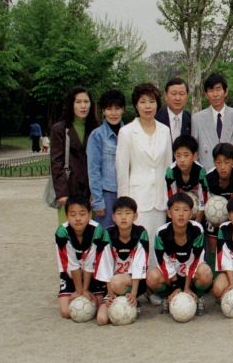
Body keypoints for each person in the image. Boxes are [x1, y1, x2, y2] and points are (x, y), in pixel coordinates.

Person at [116, 83, 172, 263]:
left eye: (152, 101)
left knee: (158, 243)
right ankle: (138, 282)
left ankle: (157, 283)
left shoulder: (165, 130)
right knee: (140, 244)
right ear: (136, 105)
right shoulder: (126, 132)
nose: (148, 106)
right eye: (143, 102)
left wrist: (170, 199)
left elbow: (168, 168)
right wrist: (124, 207)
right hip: (138, 197)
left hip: (160, 199)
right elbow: (122, 171)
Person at [145, 193, 213, 316]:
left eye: (185, 210)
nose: (181, 214)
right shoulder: (161, 233)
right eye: (176, 210)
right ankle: (168, 296)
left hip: (191, 276)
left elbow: (195, 260)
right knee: (152, 277)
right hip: (171, 277)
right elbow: (163, 262)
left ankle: (198, 296)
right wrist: (176, 286)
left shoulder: (197, 229)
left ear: (191, 214)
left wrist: (186, 287)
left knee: (206, 273)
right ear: (169, 213)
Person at [92, 196, 150, 326]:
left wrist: (134, 293)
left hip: (135, 283)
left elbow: (139, 264)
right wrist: (111, 294)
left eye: (128, 213)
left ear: (135, 216)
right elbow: (105, 264)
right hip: (112, 285)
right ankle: (119, 298)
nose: (123, 217)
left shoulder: (140, 233)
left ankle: (134, 302)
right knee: (102, 320)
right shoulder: (109, 233)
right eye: (119, 213)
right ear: (113, 217)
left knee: (117, 281)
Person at [50, 86, 100, 225]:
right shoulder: (60, 129)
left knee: (90, 233)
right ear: (71, 104)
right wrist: (62, 193)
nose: (83, 106)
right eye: (78, 102)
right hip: (69, 189)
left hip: (90, 190)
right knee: (68, 234)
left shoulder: (96, 129)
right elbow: (56, 162)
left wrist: (95, 191)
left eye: (86, 101)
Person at [55, 195, 105, 318]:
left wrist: (85, 289)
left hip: (93, 274)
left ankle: (90, 289)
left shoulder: (97, 230)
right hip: (71, 275)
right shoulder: (62, 233)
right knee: (66, 313)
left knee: (97, 309)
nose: (78, 218)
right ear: (66, 217)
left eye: (82, 214)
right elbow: (71, 264)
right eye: (73, 215)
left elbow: (91, 262)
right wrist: (79, 291)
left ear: (89, 215)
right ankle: (75, 289)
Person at [87, 89, 125, 229]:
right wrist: (98, 201)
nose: (113, 113)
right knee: (106, 237)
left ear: (123, 109)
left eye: (117, 108)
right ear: (103, 111)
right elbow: (93, 170)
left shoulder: (129, 132)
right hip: (107, 194)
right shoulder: (97, 136)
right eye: (109, 109)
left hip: (127, 192)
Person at [192, 73, 233, 168]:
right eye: (211, 90)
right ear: (206, 94)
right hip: (207, 175)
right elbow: (195, 152)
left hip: (232, 174)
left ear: (226, 91)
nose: (215, 94)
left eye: (218, 90)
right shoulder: (197, 119)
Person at [165, 135, 209, 223]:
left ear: (194, 156)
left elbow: (203, 201)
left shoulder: (200, 172)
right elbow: (170, 200)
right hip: (177, 215)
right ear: (174, 156)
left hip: (197, 215)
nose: (182, 160)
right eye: (178, 155)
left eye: (186, 155)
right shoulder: (171, 172)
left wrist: (196, 224)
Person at [155, 77, 192, 144]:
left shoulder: (192, 121)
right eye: (173, 94)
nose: (177, 98)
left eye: (181, 94)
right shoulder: (155, 119)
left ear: (187, 96)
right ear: (165, 95)